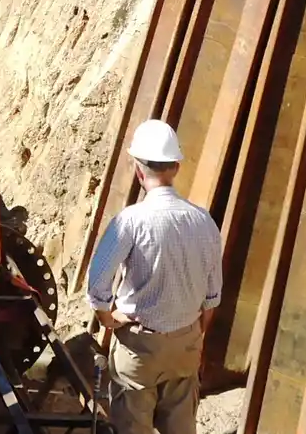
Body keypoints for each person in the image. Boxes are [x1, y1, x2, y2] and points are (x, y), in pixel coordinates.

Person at [86, 118, 223, 434]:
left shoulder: (130, 222)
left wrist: (108, 319)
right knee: (181, 425)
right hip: (186, 342)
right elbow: (213, 296)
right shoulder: (204, 222)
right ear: (176, 167)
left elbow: (96, 286)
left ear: (138, 170)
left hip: (139, 345)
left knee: (132, 425)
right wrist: (192, 335)